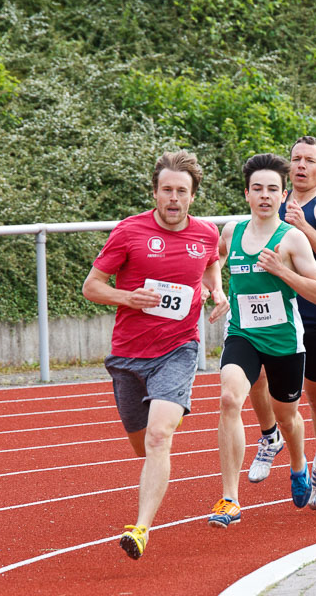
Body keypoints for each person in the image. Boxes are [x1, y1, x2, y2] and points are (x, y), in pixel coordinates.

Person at [82, 150, 228, 560]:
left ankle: (141, 528)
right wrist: (128, 297)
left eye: (182, 191)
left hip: (178, 349)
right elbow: (91, 287)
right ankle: (156, 462)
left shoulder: (205, 234)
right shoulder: (129, 232)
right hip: (128, 355)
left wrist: (216, 290)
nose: (174, 198)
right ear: (155, 192)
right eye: (167, 190)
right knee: (143, 445)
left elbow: (210, 265)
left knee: (160, 435)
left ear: (193, 196)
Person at [209, 152, 316, 528]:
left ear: (283, 196)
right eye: (257, 188)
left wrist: (281, 271)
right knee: (230, 398)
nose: (264, 195)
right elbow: (212, 261)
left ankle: (297, 464)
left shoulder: (291, 239)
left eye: (272, 189)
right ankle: (230, 499)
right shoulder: (232, 231)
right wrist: (216, 292)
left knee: (288, 415)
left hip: (284, 341)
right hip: (242, 333)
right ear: (246, 194)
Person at [246, 136, 316, 510]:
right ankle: (270, 434)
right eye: (296, 159)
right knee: (254, 376)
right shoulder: (270, 198)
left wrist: (305, 228)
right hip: (271, 311)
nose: (301, 165)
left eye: (310, 160)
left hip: (313, 307)